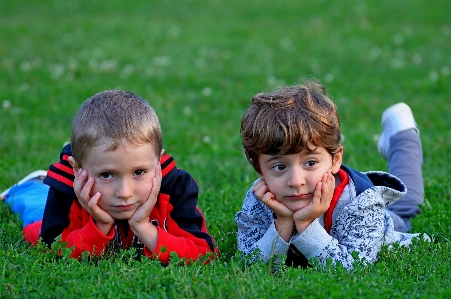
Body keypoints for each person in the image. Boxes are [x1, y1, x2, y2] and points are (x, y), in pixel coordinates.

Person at [2, 90, 217, 264]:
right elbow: (52, 251)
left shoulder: (176, 188)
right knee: (34, 219)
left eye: (139, 172)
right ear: (78, 170)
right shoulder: (67, 188)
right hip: (47, 211)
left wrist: (143, 226)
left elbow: (205, 253)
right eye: (106, 175)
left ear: (158, 163)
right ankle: (30, 187)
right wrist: (99, 225)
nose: (125, 192)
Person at [235, 80, 427, 270]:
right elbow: (250, 264)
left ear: (335, 160)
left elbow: (352, 267)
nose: (296, 181)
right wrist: (283, 223)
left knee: (408, 205)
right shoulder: (260, 198)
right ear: (259, 169)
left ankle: (402, 132)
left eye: (310, 163)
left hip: (380, 222)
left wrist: (305, 223)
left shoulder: (362, 203)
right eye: (279, 167)